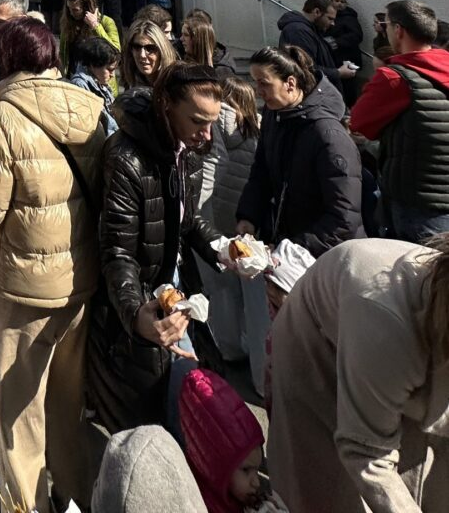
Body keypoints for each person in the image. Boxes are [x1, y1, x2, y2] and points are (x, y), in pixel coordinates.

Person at [0, 16, 104, 513]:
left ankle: (27, 506)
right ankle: (75, 495)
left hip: (23, 289)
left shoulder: (1, 118)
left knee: (20, 421)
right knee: (67, 406)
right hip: (79, 281)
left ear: (8, 60)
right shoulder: (91, 108)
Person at [87, 64, 226, 434]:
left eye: (212, 122)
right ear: (166, 106)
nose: (206, 134)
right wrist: (136, 315)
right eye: (198, 120)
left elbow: (187, 220)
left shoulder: (189, 149)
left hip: (176, 290)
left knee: (183, 404)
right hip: (137, 303)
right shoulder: (125, 157)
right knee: (144, 426)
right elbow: (117, 251)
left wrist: (223, 249)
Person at [268, 236, 449, 513]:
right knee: (323, 490)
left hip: (402, 349)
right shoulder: (386, 326)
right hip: (317, 348)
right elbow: (367, 453)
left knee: (423, 477)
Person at [237, 45, 361, 257]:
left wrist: (292, 250)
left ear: (290, 83)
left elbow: (344, 217)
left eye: (263, 83)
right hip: (289, 245)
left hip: (325, 258)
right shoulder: (274, 115)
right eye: (255, 82)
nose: (258, 92)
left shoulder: (328, 135)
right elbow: (262, 171)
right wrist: (249, 216)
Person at [350, 0, 449, 242]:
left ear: (398, 30)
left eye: (385, 24)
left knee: (417, 276)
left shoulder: (395, 78)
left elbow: (360, 123)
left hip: (417, 203)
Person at [196, 76, 266, 392]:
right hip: (248, 223)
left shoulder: (217, 128)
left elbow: (212, 168)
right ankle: (251, 348)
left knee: (222, 287)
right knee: (251, 295)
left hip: (217, 220)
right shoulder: (258, 129)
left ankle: (229, 347)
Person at [177, 367, 269, 513]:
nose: (257, 482)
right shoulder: (200, 506)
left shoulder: (234, 495)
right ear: (215, 465)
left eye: (256, 470)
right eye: (246, 470)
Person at [277, 0, 350, 93]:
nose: (333, 23)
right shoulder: (298, 31)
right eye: (330, 18)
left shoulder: (309, 29)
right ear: (317, 12)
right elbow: (305, 68)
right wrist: (338, 73)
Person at [60, 0, 120, 75]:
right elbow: (62, 54)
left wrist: (95, 26)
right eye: (69, 9)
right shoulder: (69, 24)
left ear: (86, 8)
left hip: (99, 81)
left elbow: (116, 52)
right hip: (73, 79)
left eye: (75, 10)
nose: (71, 13)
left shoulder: (106, 22)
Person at [68, 33, 120, 134]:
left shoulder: (100, 82)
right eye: (109, 70)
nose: (112, 75)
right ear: (93, 65)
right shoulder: (80, 85)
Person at [117, 18, 176, 90]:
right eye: (137, 47)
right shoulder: (130, 83)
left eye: (150, 48)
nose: (142, 55)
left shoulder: (176, 84)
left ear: (162, 51)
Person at [328, 0, 364, 103]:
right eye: (336, 0)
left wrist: (336, 42)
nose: (339, 3)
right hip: (334, 59)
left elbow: (357, 36)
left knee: (349, 88)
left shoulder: (350, 18)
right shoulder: (329, 16)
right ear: (331, 2)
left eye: (342, 1)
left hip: (348, 58)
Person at [179, 14, 235, 81]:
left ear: (198, 39)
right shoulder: (181, 59)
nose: (181, 39)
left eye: (186, 35)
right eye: (182, 34)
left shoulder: (222, 71)